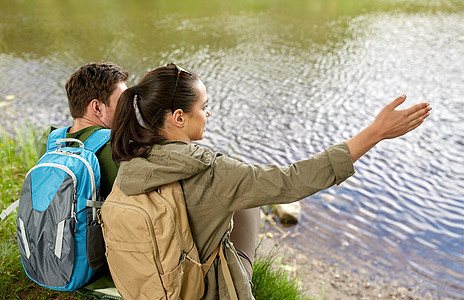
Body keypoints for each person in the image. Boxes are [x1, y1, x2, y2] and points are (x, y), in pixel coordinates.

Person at [110, 63, 431, 299]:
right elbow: (294, 181)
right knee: (249, 204)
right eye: (204, 108)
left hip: (150, 287)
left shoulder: (129, 164)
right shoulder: (212, 174)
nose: (208, 115)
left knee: (242, 199)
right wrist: (375, 133)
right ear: (178, 118)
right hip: (200, 292)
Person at [36, 62, 129, 199]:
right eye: (123, 102)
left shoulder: (49, 140)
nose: (129, 109)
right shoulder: (118, 148)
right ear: (97, 107)